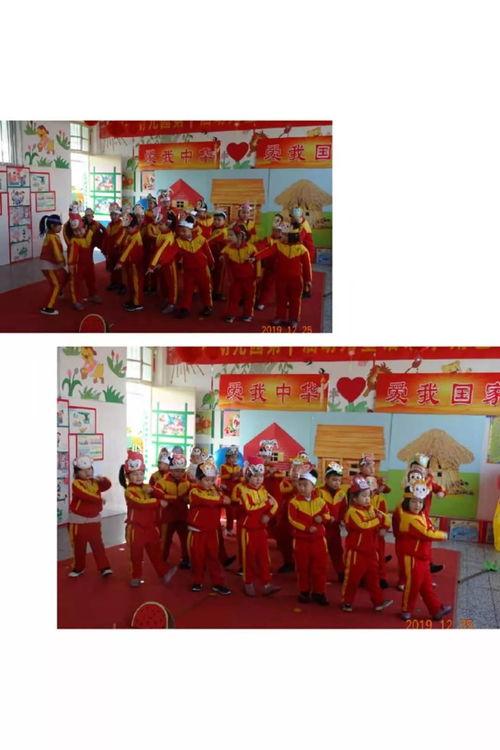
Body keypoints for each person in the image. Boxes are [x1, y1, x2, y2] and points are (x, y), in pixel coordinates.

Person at [119, 450, 176, 587]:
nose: (138, 477)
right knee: (136, 554)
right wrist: (158, 502)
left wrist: (153, 491)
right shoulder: (129, 491)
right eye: (134, 474)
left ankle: (163, 573)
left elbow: (161, 494)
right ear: (128, 476)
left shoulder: (146, 487)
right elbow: (140, 503)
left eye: (141, 473)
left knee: (155, 552)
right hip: (136, 528)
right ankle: (136, 576)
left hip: (150, 527)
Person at [399, 479, 452, 621]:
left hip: (422, 557)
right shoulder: (409, 518)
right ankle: (406, 610)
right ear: (407, 502)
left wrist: (433, 529)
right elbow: (426, 533)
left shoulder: (421, 515)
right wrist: (443, 535)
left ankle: (436, 609)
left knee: (426, 585)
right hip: (413, 558)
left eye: (420, 502)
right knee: (413, 585)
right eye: (414, 501)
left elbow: (429, 527)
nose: (417, 505)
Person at [341, 477, 393, 613]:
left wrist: (384, 525)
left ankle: (378, 602)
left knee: (373, 579)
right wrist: (378, 521)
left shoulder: (371, 509)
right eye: (363, 496)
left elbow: (386, 518)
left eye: (368, 496)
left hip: (371, 552)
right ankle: (347, 602)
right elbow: (363, 525)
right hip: (356, 553)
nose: (367, 499)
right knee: (352, 579)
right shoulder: (352, 512)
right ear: (354, 498)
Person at [254, 222, 312, 330]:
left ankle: (294, 319)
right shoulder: (278, 246)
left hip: (296, 280)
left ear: (292, 236)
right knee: (281, 298)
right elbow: (267, 252)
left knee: (295, 300)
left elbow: (307, 266)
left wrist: (308, 280)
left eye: (285, 235)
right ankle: (280, 317)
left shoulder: (302, 249)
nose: (281, 236)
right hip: (281, 279)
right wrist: (256, 257)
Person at [187, 459, 232, 595]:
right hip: (197, 532)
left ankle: (218, 583)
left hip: (212, 531)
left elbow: (227, 500)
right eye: (206, 480)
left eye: (212, 480)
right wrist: (221, 499)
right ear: (198, 479)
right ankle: (197, 581)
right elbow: (207, 501)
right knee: (197, 558)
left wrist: (221, 496)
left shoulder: (215, 491)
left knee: (214, 557)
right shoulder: (194, 491)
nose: (210, 483)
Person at [237, 460, 280, 597]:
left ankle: (266, 583)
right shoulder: (243, 490)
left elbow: (275, 504)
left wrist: (268, 515)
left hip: (261, 529)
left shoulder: (263, 490)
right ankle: (248, 582)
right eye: (255, 476)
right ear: (248, 477)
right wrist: (266, 504)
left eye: (260, 476)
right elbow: (249, 508)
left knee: (264, 557)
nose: (258, 479)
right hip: (248, 529)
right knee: (249, 556)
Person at [288, 469, 331, 605]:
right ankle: (304, 591)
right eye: (300, 485)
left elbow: (328, 515)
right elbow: (292, 520)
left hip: (318, 541)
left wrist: (322, 518)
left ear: (313, 486)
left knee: (320, 567)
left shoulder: (320, 501)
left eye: (305, 485)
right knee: (302, 568)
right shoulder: (294, 502)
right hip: (301, 541)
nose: (302, 488)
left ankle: (319, 592)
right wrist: (307, 528)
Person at [159, 215, 214, 318]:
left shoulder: (201, 239)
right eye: (180, 231)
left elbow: (208, 252)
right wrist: (161, 262)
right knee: (187, 290)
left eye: (184, 231)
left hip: (202, 269)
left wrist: (212, 263)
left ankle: (208, 306)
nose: (181, 233)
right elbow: (170, 252)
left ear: (191, 230)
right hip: (188, 270)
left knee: (205, 288)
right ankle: (185, 308)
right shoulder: (179, 242)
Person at [68, 455, 112, 577]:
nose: (87, 472)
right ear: (77, 473)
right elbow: (85, 495)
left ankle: (104, 567)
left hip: (94, 520)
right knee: (79, 546)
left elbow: (107, 485)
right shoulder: (76, 483)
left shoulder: (95, 482)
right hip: (78, 521)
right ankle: (78, 568)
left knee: (98, 544)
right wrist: (99, 499)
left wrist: (103, 479)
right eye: (83, 470)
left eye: (89, 469)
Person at [153, 454, 191, 569]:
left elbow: (191, 494)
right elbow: (157, 494)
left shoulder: (187, 483)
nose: (179, 473)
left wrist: (187, 499)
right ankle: (161, 560)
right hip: (168, 517)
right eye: (176, 471)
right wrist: (176, 498)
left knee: (185, 539)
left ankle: (186, 559)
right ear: (171, 469)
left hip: (183, 515)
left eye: (181, 471)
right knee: (165, 539)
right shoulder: (162, 482)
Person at [221, 223, 259, 323]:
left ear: (240, 236)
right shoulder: (228, 248)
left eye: (231, 235)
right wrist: (223, 257)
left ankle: (247, 314)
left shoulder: (251, 248)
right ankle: (231, 314)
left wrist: (257, 275)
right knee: (233, 297)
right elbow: (224, 255)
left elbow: (257, 261)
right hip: (235, 279)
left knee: (249, 297)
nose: (228, 237)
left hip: (249, 279)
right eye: (228, 235)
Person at [318, 462, 349, 583]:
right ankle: (320, 575)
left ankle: (341, 572)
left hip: (335, 528)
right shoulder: (319, 492)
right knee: (321, 552)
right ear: (326, 479)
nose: (337, 483)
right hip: (322, 529)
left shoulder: (342, 493)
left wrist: (343, 520)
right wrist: (325, 518)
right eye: (334, 480)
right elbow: (316, 509)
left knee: (337, 551)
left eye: (339, 480)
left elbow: (344, 509)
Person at [146, 208, 178, 314]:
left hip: (169, 264)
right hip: (161, 264)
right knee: (164, 282)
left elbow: (161, 251)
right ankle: (166, 299)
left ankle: (172, 303)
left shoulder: (169, 237)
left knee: (171, 283)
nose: (158, 226)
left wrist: (152, 265)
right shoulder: (162, 233)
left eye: (161, 224)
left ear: (168, 225)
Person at [114, 210, 144, 312]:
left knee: (136, 283)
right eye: (126, 228)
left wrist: (120, 262)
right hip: (130, 263)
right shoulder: (129, 234)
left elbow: (128, 249)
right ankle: (132, 300)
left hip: (136, 264)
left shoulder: (136, 236)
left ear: (136, 226)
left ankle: (137, 303)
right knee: (131, 283)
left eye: (129, 228)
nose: (127, 229)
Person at [39, 213, 68, 315]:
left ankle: (58, 292)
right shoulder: (52, 237)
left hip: (52, 263)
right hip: (48, 265)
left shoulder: (53, 235)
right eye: (59, 225)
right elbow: (56, 251)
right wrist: (62, 261)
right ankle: (48, 307)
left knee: (65, 276)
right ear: (52, 226)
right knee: (55, 285)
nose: (61, 227)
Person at [102, 202, 126, 293]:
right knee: (112, 267)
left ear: (119, 215)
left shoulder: (122, 224)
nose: (114, 216)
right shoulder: (109, 225)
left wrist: (117, 245)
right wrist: (104, 248)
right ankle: (114, 283)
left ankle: (122, 285)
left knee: (119, 268)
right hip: (111, 250)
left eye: (115, 214)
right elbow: (106, 237)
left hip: (119, 250)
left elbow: (122, 236)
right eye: (112, 214)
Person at [219, 445, 243, 535]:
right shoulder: (223, 466)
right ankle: (228, 528)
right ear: (227, 458)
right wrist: (233, 475)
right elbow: (223, 476)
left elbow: (241, 478)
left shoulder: (238, 467)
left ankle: (234, 528)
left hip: (235, 492)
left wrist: (239, 477)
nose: (234, 459)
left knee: (236, 511)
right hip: (226, 491)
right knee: (229, 511)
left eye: (235, 457)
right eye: (232, 457)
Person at [208, 211, 229, 300]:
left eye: (219, 220)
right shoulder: (212, 229)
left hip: (220, 257)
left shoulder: (224, 231)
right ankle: (211, 290)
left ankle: (217, 292)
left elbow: (210, 242)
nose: (216, 221)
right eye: (215, 219)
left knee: (219, 275)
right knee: (212, 274)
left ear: (224, 221)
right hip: (212, 255)